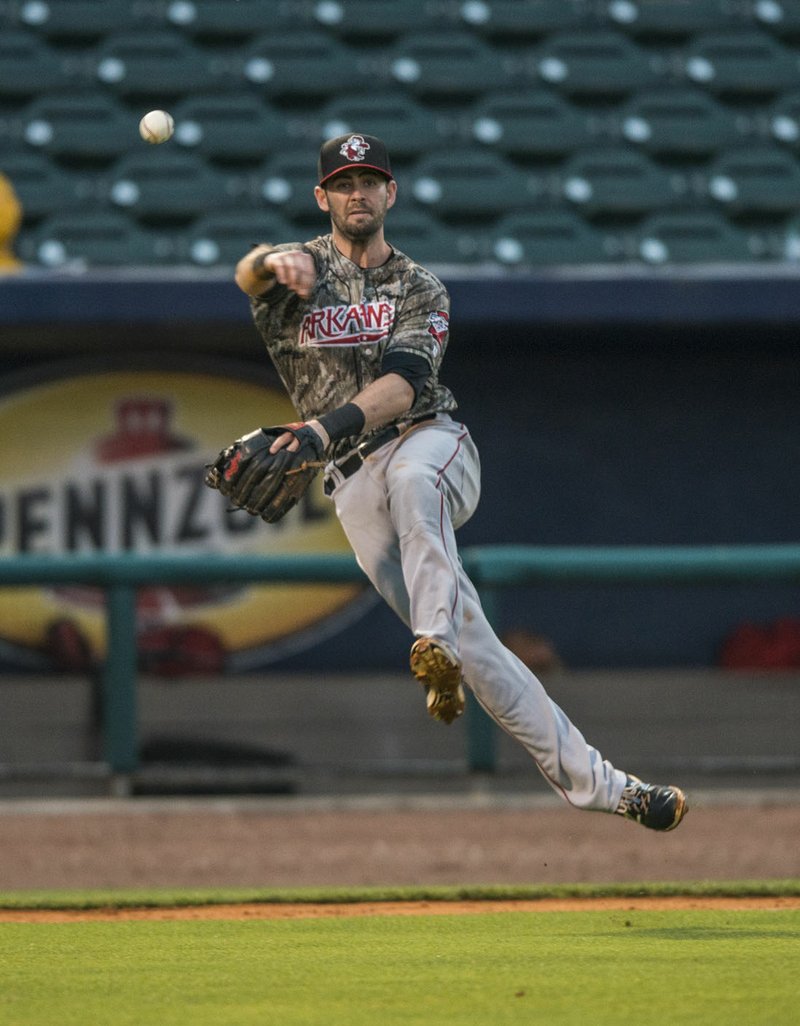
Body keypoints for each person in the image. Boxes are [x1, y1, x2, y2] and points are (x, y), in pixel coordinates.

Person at [232, 132, 687, 831]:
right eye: (344, 182)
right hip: (353, 484)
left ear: (392, 193)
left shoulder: (421, 287)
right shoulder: (294, 279)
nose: (359, 193)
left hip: (429, 442)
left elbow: (404, 385)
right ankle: (610, 788)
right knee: (482, 652)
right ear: (322, 196)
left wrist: (320, 433)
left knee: (415, 486)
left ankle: (432, 642)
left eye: (371, 180)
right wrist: (268, 258)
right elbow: (245, 275)